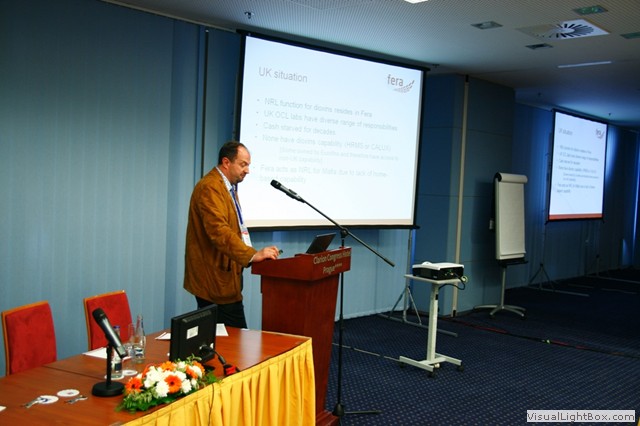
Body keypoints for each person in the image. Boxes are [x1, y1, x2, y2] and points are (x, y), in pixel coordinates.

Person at [184, 141, 280, 328]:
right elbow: (218, 231)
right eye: (243, 164)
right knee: (236, 339)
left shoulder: (227, 186)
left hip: (225, 278)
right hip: (213, 280)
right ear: (226, 162)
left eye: (248, 165)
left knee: (225, 339)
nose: (247, 171)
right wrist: (252, 254)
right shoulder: (210, 187)